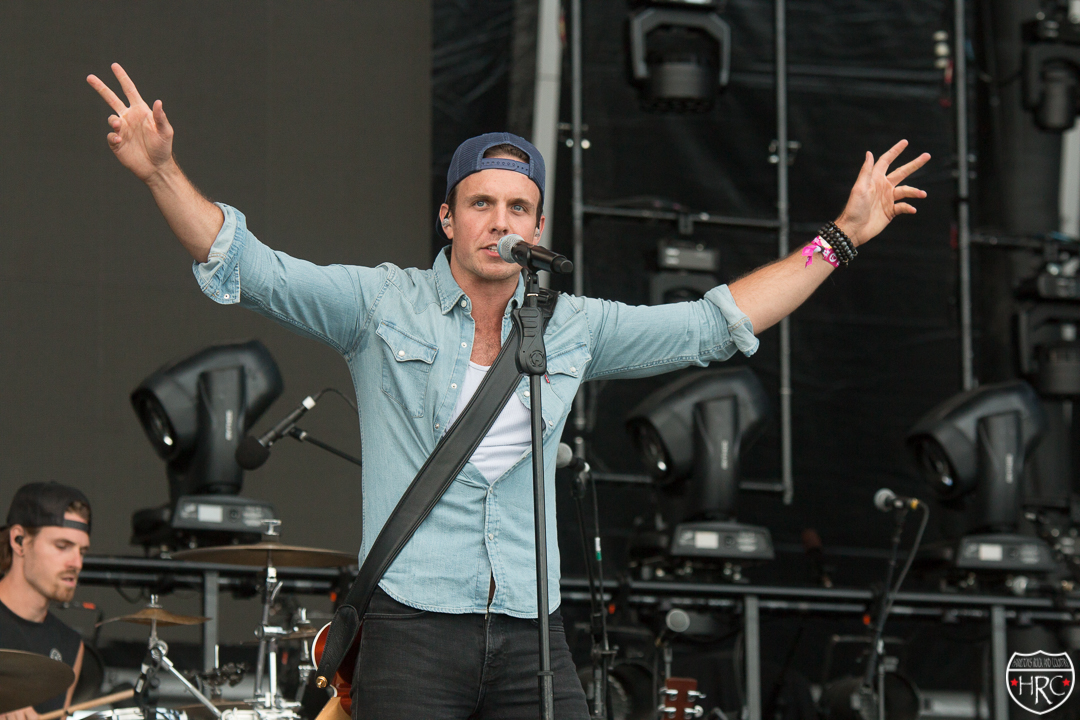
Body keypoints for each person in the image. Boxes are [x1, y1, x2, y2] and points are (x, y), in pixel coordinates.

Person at [87, 62, 929, 719]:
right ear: (448, 218)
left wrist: (841, 238)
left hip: (532, 627)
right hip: (413, 627)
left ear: (538, 227)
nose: (500, 221)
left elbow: (714, 324)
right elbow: (253, 268)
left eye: (518, 207)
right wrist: (161, 172)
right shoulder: (381, 306)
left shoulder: (573, 326)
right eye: (481, 203)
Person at [0, 483, 91, 720]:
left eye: (82, 551)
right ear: (19, 540)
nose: (77, 563)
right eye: (62, 546)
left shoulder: (70, 645)